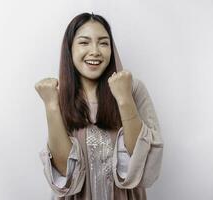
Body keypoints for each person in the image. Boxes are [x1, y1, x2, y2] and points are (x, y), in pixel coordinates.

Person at [35, 12, 164, 200]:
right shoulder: (57, 94)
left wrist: (124, 99)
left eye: (103, 43)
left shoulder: (133, 88)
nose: (95, 51)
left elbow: (140, 167)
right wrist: (51, 106)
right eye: (84, 42)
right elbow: (65, 175)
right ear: (70, 49)